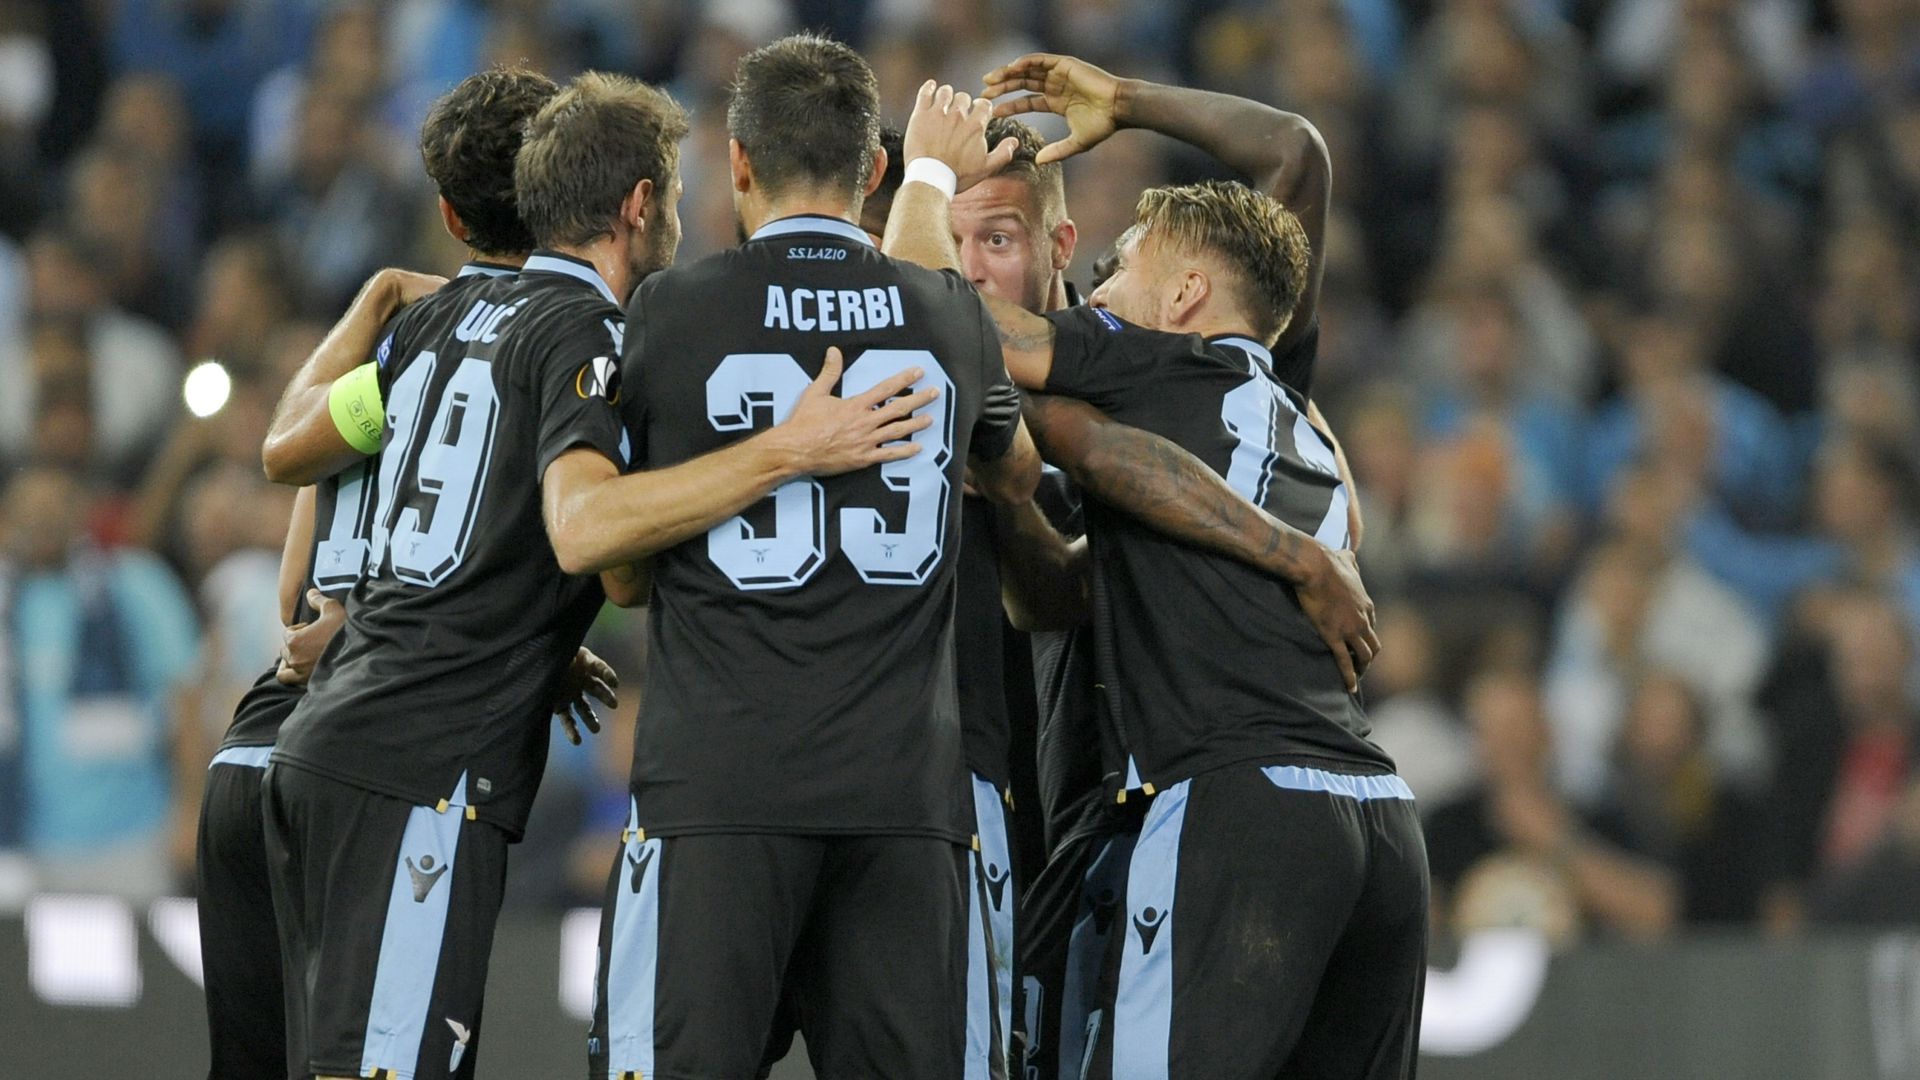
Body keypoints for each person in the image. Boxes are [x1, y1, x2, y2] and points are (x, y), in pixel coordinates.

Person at [891, 55, 1418, 1079]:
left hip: (1209, 805)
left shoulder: (1143, 362)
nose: (1101, 287)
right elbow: (1073, 556)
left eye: (1119, 262)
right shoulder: (1284, 405)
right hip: (1366, 808)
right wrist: (1126, 103)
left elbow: (942, 320)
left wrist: (924, 182)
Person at [582, 35, 1041, 1080]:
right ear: (871, 170)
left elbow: (618, 564)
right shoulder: (950, 316)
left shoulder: (672, 313)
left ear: (736, 161)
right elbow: (1011, 476)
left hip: (718, 795)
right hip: (905, 808)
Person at [195, 68, 616, 1079]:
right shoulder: (555, 354)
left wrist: (379, 293)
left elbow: (291, 466)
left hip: (259, 755)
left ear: (445, 210)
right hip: (388, 771)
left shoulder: (401, 356)